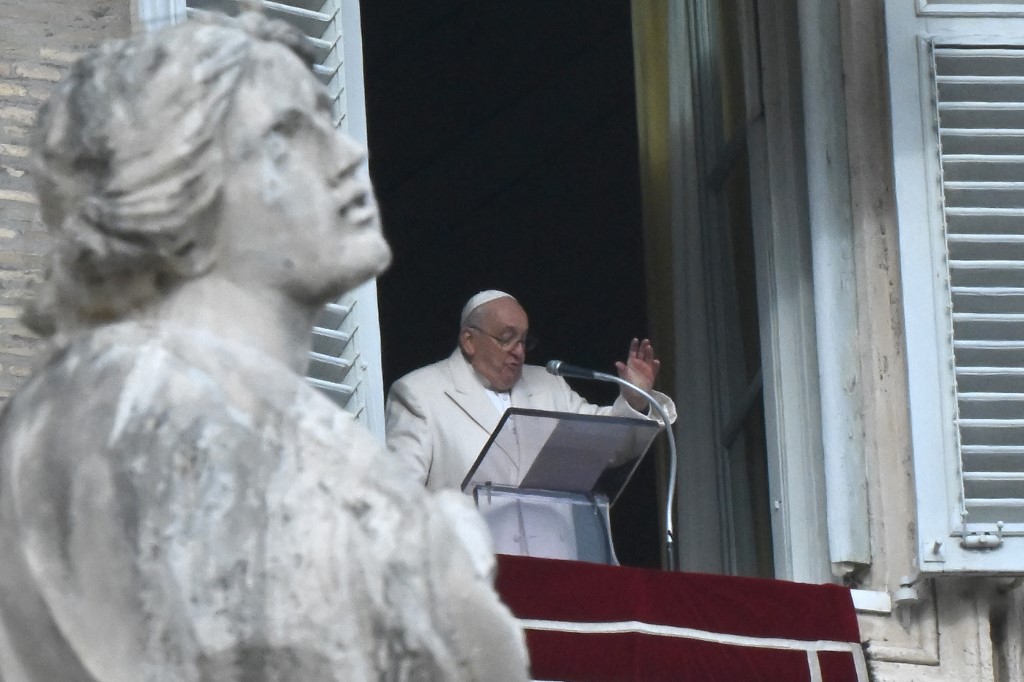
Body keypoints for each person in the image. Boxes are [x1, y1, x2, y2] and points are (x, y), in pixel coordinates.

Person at [0, 14, 527, 681]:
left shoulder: (173, 407)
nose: (348, 156)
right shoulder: (154, 413)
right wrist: (433, 570)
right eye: (285, 133)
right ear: (173, 185)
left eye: (325, 122)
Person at [385, 290, 677, 492]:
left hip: (550, 564)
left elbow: (606, 443)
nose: (519, 352)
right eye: (507, 339)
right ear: (469, 340)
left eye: (524, 341)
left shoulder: (549, 386)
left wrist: (634, 400)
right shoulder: (420, 393)